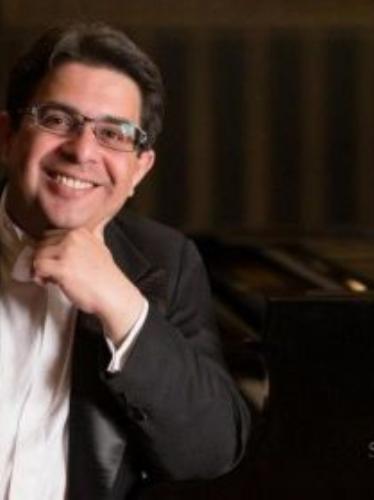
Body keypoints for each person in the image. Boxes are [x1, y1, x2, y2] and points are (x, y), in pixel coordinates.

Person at [0, 22, 250, 500]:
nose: (82, 150)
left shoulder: (167, 261)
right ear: (8, 136)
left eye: (113, 133)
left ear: (139, 169)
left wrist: (123, 306)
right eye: (56, 119)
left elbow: (210, 451)